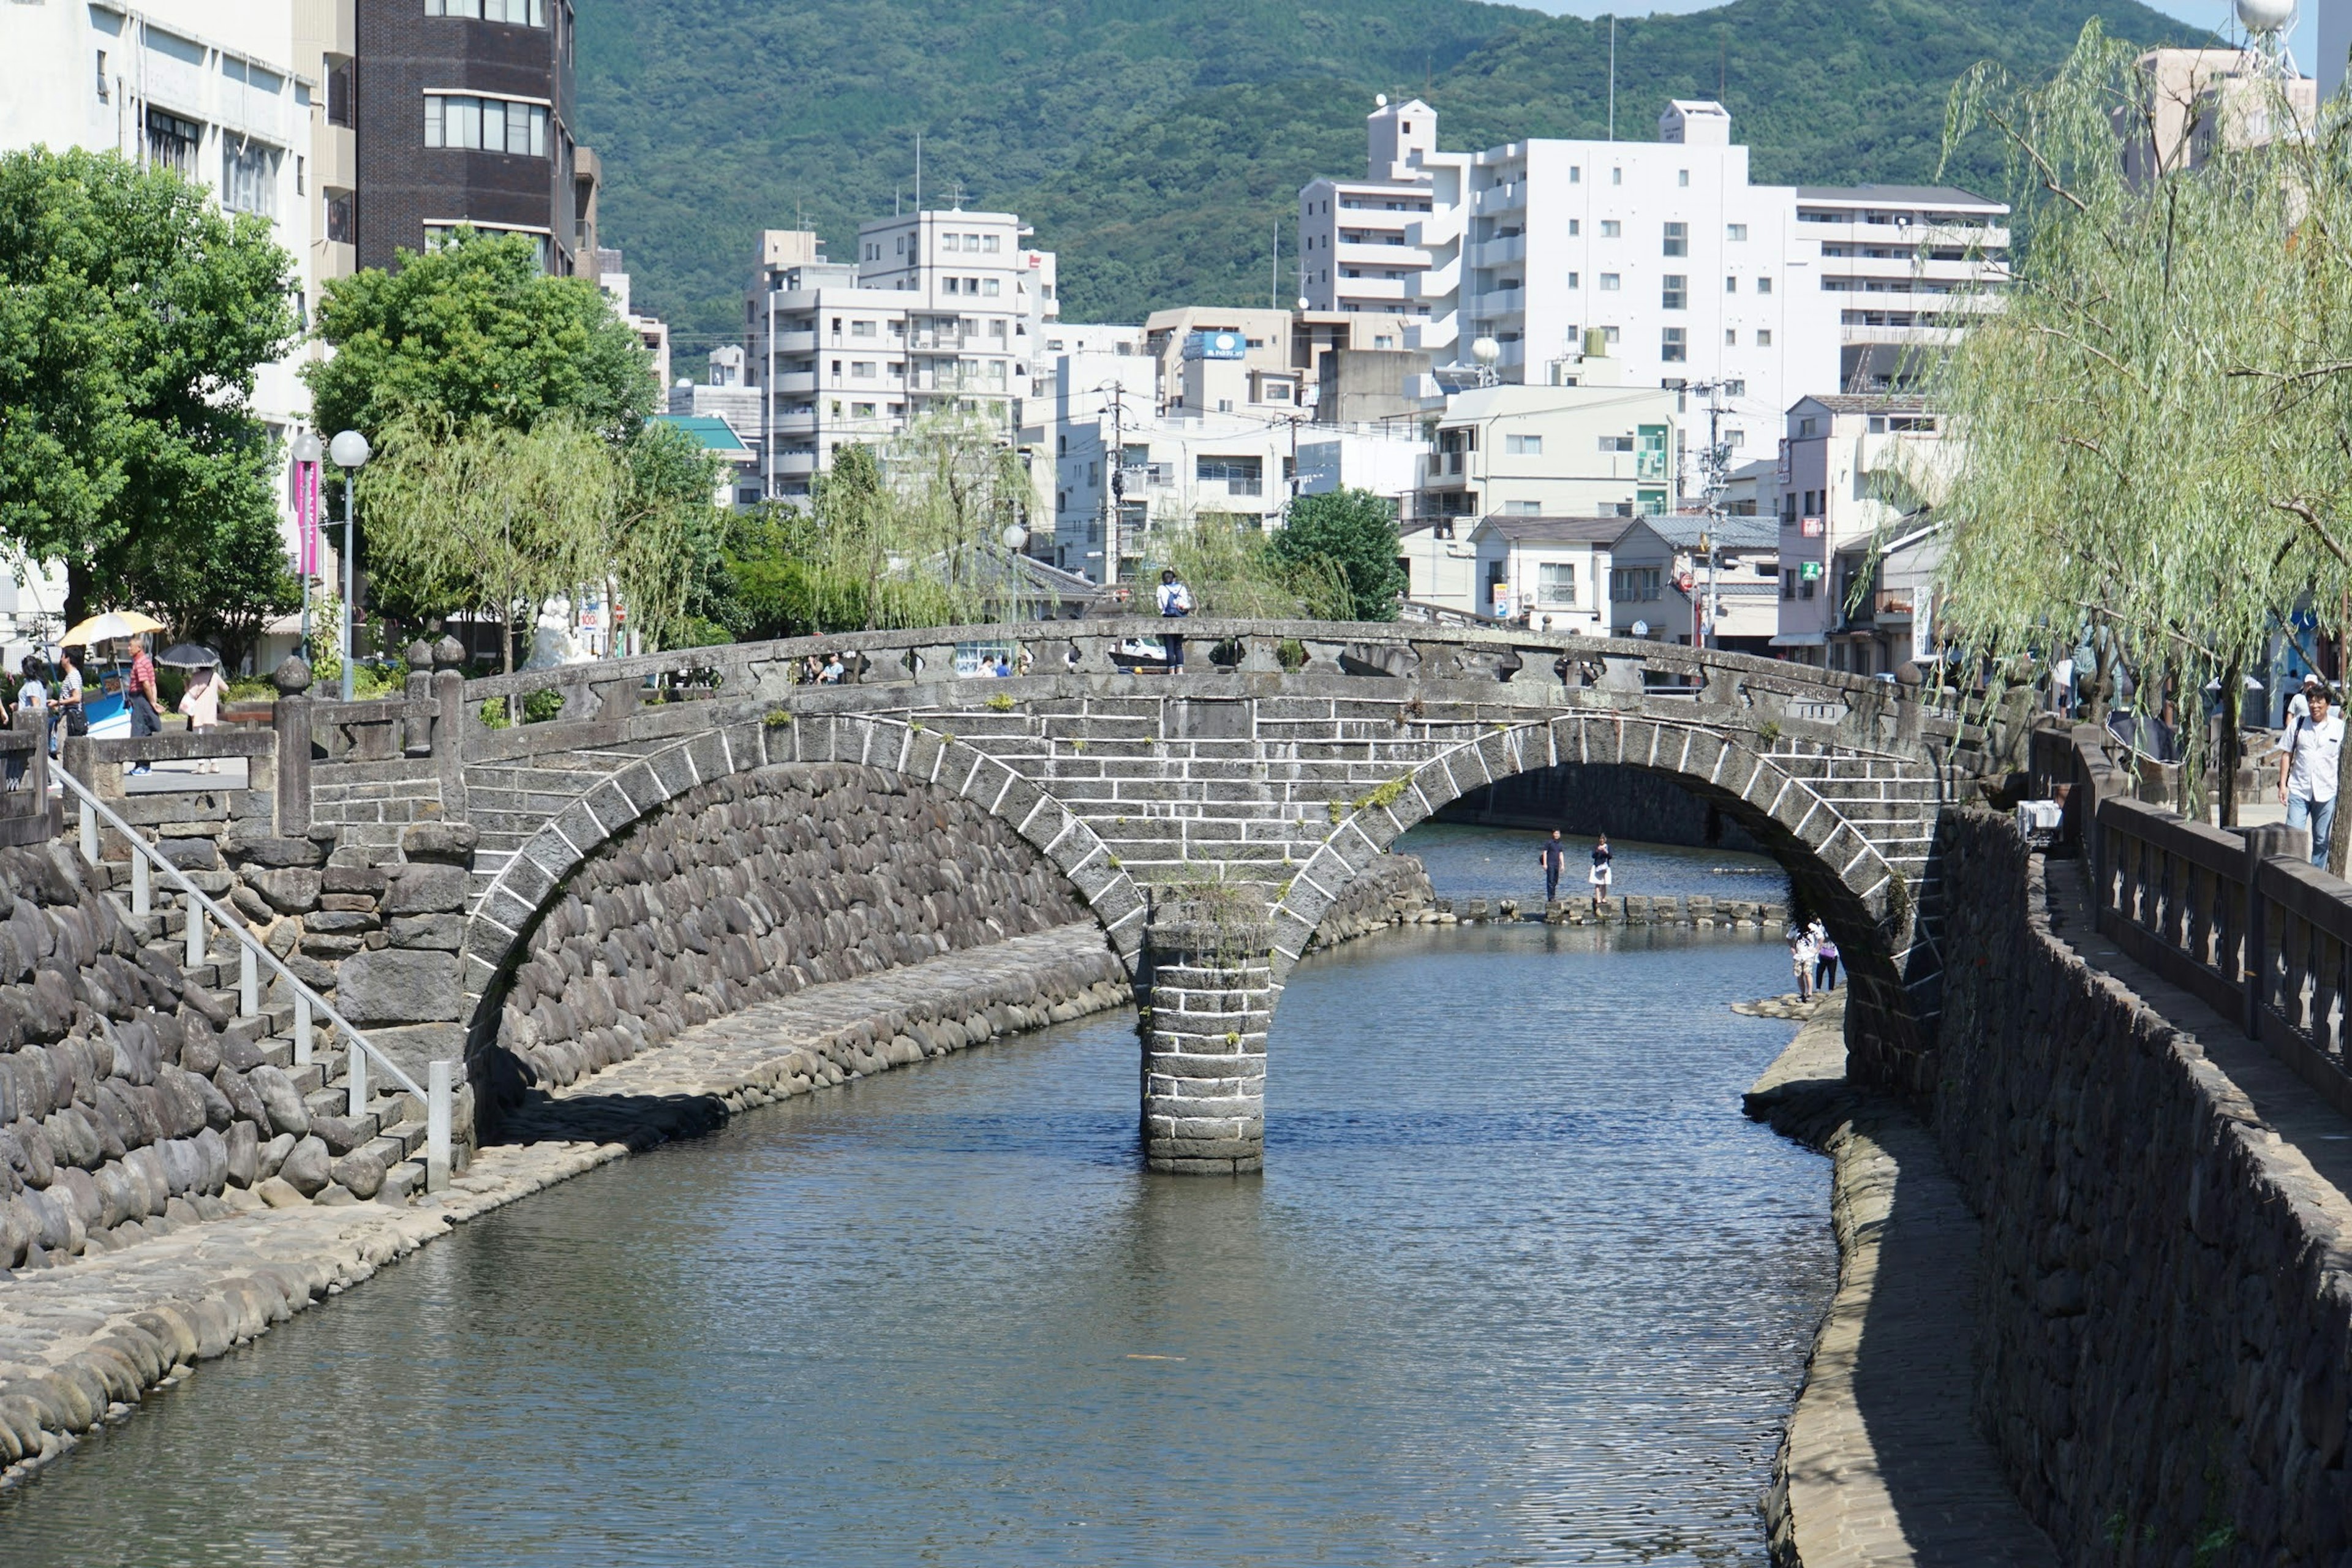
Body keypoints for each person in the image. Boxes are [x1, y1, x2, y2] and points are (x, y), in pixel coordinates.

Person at [2281, 685, 2345, 868]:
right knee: (2293, 836)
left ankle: (2316, 879)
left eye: (2319, 702)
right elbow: (2286, 754)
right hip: (2300, 789)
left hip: (2327, 790)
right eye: (2311, 702)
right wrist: (2283, 785)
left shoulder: (2339, 728)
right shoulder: (2298, 724)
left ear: (2328, 704)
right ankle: (2292, 873)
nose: (2314, 706)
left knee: (2321, 841)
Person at [125, 634, 160, 769]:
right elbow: (153, 683)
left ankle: (143, 765)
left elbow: (146, 684)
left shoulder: (140, 663)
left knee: (139, 732)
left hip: (140, 698)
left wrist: (151, 701)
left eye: (131, 646)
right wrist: (154, 701)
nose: (128, 649)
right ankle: (141, 764)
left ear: (139, 648)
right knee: (144, 730)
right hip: (141, 698)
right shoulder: (145, 661)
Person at [179, 663, 222, 773]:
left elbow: (192, 694)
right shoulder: (215, 676)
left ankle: (201, 766)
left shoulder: (196, 676)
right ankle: (214, 764)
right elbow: (226, 688)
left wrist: (187, 686)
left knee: (199, 738)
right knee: (210, 738)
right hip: (211, 713)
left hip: (199, 713)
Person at [1156, 567, 1191, 671]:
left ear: (1163, 579)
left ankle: (1171, 671)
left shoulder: (1161, 588)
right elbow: (1186, 605)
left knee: (1169, 646)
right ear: (1174, 578)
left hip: (1167, 618)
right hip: (1180, 618)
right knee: (1178, 646)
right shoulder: (1182, 588)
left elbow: (1160, 606)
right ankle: (1180, 670)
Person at [51, 647, 84, 757]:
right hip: (68, 715)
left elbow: (77, 697)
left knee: (62, 750)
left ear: (68, 659)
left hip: (68, 718)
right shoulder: (74, 675)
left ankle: (64, 774)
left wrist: (58, 703)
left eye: (62, 656)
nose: (61, 660)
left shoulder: (73, 676)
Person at [1809, 918, 1841, 992]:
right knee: (1819, 972)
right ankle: (1818, 988)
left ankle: (1830, 989)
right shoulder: (1821, 927)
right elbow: (1819, 936)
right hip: (1822, 952)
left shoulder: (1835, 929)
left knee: (1832, 973)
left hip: (1833, 954)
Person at [1539, 829, 1567, 904]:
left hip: (1556, 864)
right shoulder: (1549, 843)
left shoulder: (1560, 844)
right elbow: (1545, 853)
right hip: (1550, 864)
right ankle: (1551, 898)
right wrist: (1545, 864)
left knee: (1555, 881)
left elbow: (1561, 854)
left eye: (1558, 833)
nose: (1557, 835)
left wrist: (1563, 865)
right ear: (1553, 834)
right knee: (1550, 881)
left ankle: (1553, 896)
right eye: (1556, 833)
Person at [1790, 925, 1817, 1001]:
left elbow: (1821, 937)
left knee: (1807, 973)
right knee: (1799, 975)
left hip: (1809, 955)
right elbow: (1788, 937)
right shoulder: (1795, 927)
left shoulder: (1813, 927)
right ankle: (1802, 994)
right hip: (1798, 956)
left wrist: (1817, 948)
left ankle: (1810, 993)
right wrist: (1792, 948)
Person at [1588, 833, 1613, 913]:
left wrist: (1606, 852)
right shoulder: (1595, 846)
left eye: (1603, 839)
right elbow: (1593, 856)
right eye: (1600, 839)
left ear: (1605, 839)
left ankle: (1604, 898)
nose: (1602, 840)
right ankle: (1598, 899)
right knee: (1597, 884)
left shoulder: (1609, 847)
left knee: (1605, 884)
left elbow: (1611, 856)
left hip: (1605, 867)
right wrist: (1597, 851)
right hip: (1597, 866)